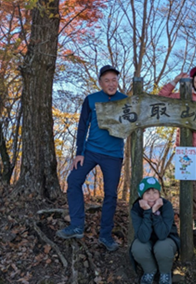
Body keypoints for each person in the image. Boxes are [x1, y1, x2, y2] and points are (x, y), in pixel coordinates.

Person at [56, 65, 127, 252]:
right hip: (90, 151)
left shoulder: (125, 101)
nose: (111, 83)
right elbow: (82, 127)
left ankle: (105, 235)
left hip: (113, 154)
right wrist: (79, 152)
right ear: (100, 82)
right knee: (73, 181)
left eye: (114, 80)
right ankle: (77, 225)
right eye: (107, 80)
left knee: (110, 195)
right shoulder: (91, 99)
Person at [159, 64, 196, 230]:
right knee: (187, 183)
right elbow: (162, 97)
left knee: (191, 181)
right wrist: (175, 80)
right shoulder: (185, 95)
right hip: (184, 147)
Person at [130, 176, 179, 284]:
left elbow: (162, 235)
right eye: (147, 193)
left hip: (167, 239)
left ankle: (165, 273)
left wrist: (156, 213)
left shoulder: (166, 206)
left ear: (159, 194)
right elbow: (143, 237)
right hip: (147, 239)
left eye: (155, 192)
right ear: (141, 195)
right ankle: (150, 271)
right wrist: (147, 212)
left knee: (163, 246)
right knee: (138, 247)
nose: (152, 196)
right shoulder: (136, 208)